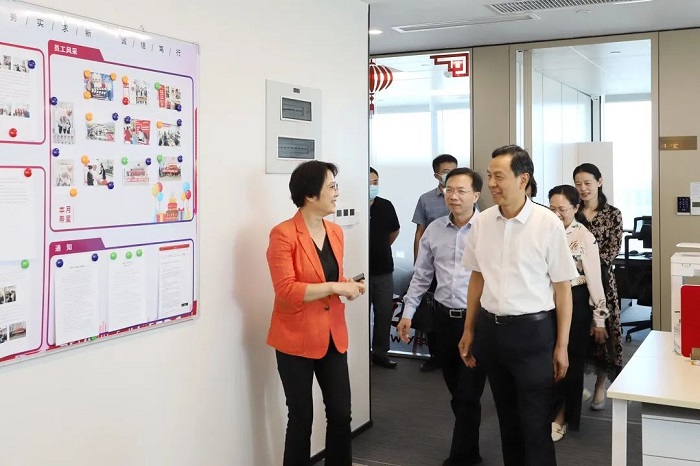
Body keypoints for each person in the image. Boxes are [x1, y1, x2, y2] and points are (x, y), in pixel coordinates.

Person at [458, 145, 578, 466]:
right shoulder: (482, 222)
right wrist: (469, 329)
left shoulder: (547, 223)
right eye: (489, 176)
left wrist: (562, 345)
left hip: (533, 335)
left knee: (535, 424)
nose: (491, 184)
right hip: (491, 332)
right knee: (507, 421)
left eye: (499, 177)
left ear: (523, 179)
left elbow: (563, 289)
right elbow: (477, 278)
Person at [266, 160, 366, 466]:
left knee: (341, 413)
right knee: (301, 417)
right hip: (295, 338)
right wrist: (335, 287)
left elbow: (329, 276)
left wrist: (347, 285)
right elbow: (286, 289)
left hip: (333, 335)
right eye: (331, 187)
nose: (337, 193)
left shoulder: (335, 231)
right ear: (310, 195)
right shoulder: (283, 234)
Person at [397, 167, 487, 466]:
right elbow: (422, 275)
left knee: (468, 392)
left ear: (476, 195)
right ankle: (469, 448)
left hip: (476, 321)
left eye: (461, 191)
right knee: (456, 391)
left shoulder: (488, 229)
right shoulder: (434, 229)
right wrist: (408, 313)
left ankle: (462, 457)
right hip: (443, 321)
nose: (453, 196)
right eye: (449, 190)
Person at [548, 185, 609, 441]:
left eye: (562, 209)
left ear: (575, 208)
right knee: (548, 360)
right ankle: (553, 408)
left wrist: (599, 319)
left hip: (575, 300)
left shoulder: (584, 236)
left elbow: (595, 280)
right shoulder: (544, 230)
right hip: (545, 301)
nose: (557, 213)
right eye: (552, 208)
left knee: (570, 362)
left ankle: (562, 416)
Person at [573, 163, 624, 410]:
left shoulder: (612, 214)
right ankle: (574, 386)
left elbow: (612, 251)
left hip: (603, 281)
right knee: (576, 334)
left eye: (587, 183)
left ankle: (599, 386)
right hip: (574, 283)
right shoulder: (572, 211)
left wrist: (583, 260)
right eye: (578, 184)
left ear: (599, 182)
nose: (583, 188)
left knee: (603, 337)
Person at [412, 153, 458, 372]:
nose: (451, 175)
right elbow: (419, 232)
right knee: (432, 311)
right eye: (446, 171)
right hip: (433, 264)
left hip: (457, 267)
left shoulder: (466, 197)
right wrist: (418, 263)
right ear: (436, 175)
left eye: (454, 170)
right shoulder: (426, 199)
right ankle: (435, 357)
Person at [369, 167, 400, 369]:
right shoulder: (353, 204)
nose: (373, 186)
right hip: (359, 272)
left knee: (383, 313)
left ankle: (380, 354)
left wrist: (381, 247)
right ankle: (360, 355)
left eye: (376, 182)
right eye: (369, 182)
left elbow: (394, 231)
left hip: (383, 269)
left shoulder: (385, 205)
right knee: (359, 315)